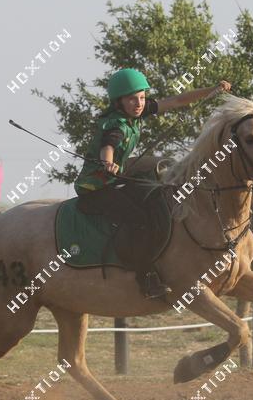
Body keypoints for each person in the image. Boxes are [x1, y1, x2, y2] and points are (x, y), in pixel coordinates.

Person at [74, 68, 230, 299]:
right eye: (132, 99)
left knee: (157, 186)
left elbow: (177, 100)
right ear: (119, 102)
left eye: (142, 97)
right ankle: (145, 276)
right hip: (95, 188)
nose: (139, 103)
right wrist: (108, 163)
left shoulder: (137, 111)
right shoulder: (116, 125)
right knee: (138, 217)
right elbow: (108, 146)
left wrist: (212, 90)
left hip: (116, 178)